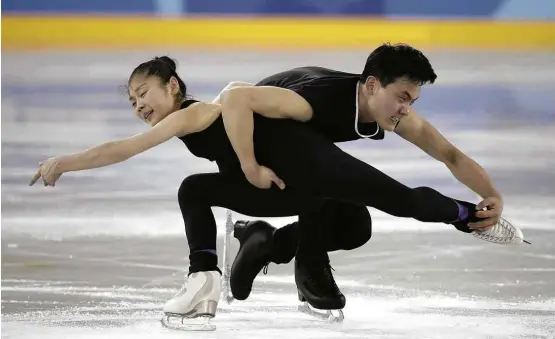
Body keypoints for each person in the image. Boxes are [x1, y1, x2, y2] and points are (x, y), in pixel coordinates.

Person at [29, 47, 525, 325]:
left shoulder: (199, 113)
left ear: (173, 87)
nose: (139, 105)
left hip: (295, 173)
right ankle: (205, 278)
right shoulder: (208, 115)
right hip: (286, 177)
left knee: (365, 219)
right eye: (133, 98)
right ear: (374, 85)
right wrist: (66, 162)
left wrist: (493, 193)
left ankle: (470, 216)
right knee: (194, 189)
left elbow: (451, 154)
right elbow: (131, 144)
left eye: (145, 93)